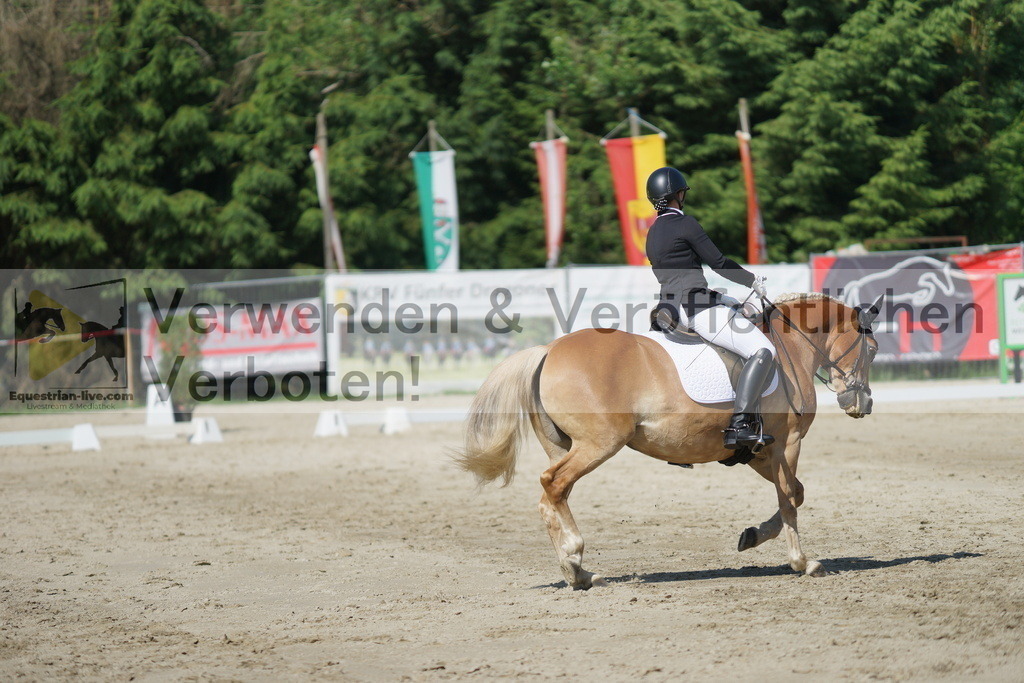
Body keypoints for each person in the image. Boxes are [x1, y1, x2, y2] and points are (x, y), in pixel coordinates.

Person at [644, 166, 775, 450]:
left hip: (669, 310)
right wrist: (751, 280)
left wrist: (725, 300)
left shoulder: (652, 233)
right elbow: (719, 263)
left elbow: (681, 278)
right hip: (696, 310)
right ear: (678, 194)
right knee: (763, 351)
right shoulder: (686, 223)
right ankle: (740, 424)